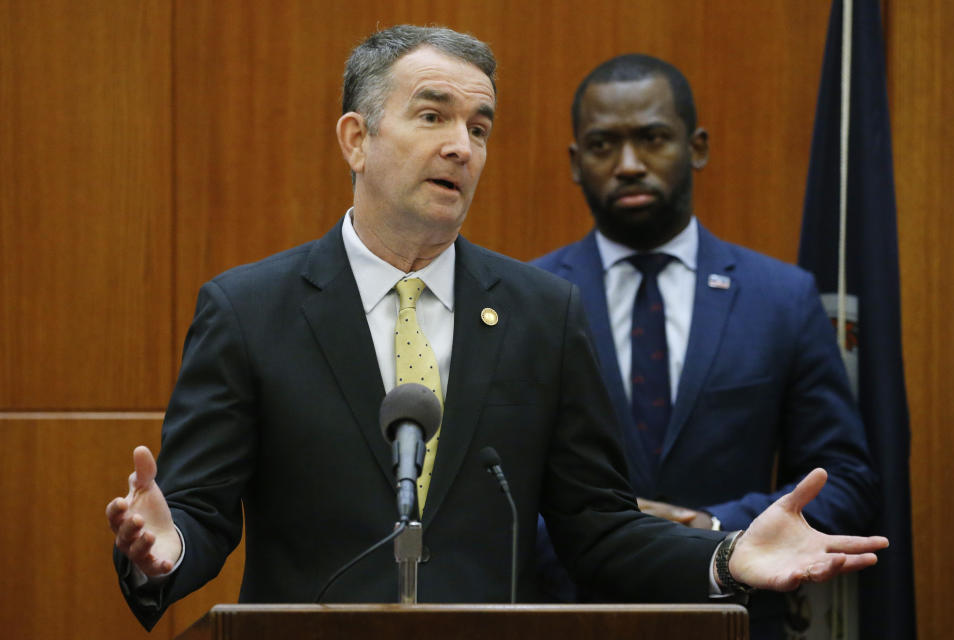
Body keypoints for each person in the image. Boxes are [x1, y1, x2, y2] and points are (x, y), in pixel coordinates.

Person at [105, 27, 887, 632]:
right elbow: (198, 515)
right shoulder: (249, 310)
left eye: (480, 128)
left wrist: (725, 555)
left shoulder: (542, 312)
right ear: (356, 139)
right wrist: (163, 552)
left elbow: (597, 528)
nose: (461, 146)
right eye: (433, 115)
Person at [532, 54, 879, 638]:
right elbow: (493, 497)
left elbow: (845, 477)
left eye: (653, 138)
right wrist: (604, 541)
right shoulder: (529, 299)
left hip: (737, 618)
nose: (629, 165)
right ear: (574, 162)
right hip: (573, 615)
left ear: (696, 147)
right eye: (602, 145)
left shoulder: (781, 298)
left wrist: (717, 528)